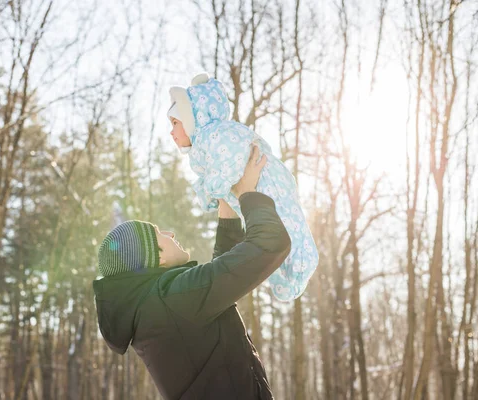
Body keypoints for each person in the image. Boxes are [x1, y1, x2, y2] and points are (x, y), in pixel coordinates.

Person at [93, 146, 290, 399]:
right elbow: (271, 243)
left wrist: (226, 208)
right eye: (159, 234)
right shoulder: (171, 300)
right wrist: (247, 194)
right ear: (157, 257)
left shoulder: (157, 308)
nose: (170, 234)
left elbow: (217, 285)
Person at [167, 72, 318, 301]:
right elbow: (217, 178)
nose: (171, 132)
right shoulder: (204, 143)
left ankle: (299, 265)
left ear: (191, 118)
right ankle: (287, 276)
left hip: (268, 182)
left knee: (286, 222)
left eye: (175, 123)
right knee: (271, 230)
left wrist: (212, 189)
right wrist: (211, 192)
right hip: (254, 190)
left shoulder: (216, 133)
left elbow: (232, 160)